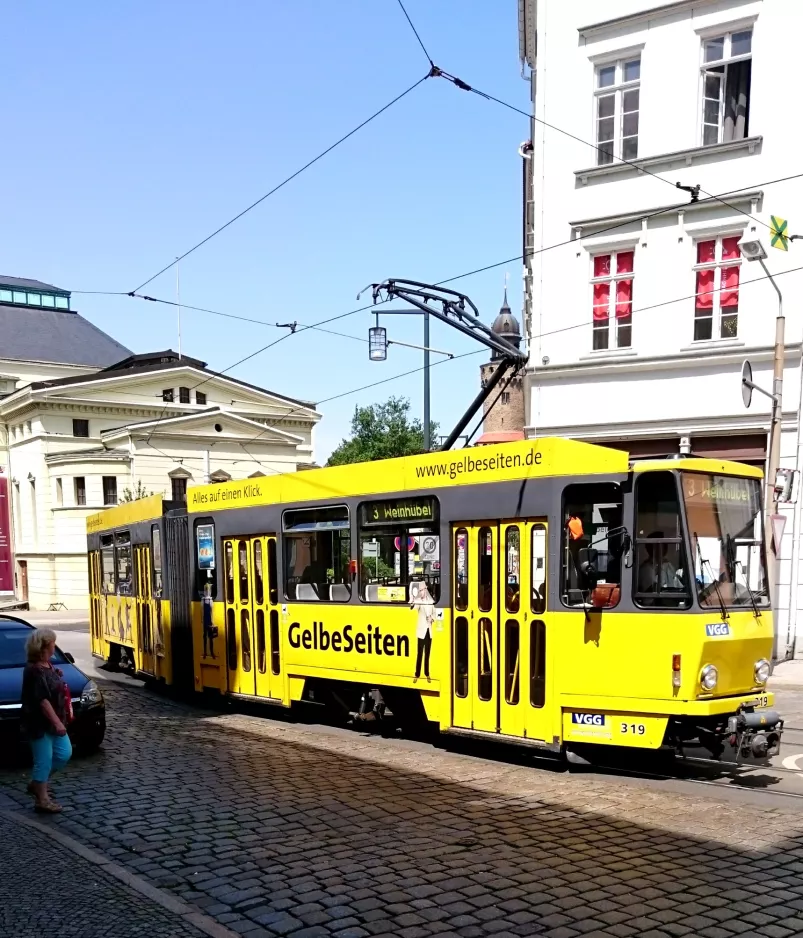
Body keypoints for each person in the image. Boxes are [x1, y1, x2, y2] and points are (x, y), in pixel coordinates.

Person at [21, 628, 72, 814]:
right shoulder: (34, 670)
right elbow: (42, 701)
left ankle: (37, 783)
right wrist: (57, 723)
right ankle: (42, 800)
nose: (54, 646)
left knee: (64, 753)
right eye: (52, 643)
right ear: (43, 646)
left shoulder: (48, 665)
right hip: (39, 724)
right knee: (44, 760)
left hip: (54, 721)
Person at [411, 581, 435, 683]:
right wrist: (412, 602)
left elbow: (435, 613)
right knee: (419, 654)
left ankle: (427, 674)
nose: (421, 592)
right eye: (420, 590)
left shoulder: (431, 601)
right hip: (421, 631)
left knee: (427, 654)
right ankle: (417, 674)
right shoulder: (418, 601)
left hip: (429, 631)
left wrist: (432, 618)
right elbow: (414, 607)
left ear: (425, 590)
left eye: (422, 590)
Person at [202, 582, 216, 658]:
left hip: (208, 620)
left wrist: (212, 621)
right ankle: (205, 652)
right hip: (206, 620)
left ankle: (211, 652)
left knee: (210, 637)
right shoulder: (203, 600)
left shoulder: (210, 600)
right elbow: (202, 611)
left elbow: (211, 612)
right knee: (205, 637)